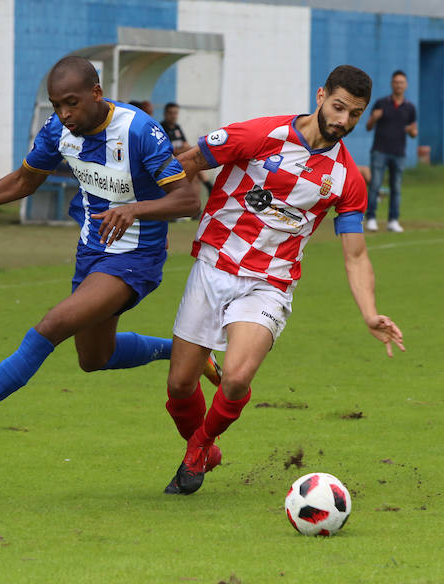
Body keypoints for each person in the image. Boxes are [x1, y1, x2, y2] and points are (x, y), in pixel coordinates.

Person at [0, 56, 218, 453]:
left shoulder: (139, 131)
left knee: (51, 325)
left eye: (72, 103)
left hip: (135, 259)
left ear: (96, 93)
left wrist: (134, 209)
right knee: (94, 358)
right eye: (57, 104)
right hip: (92, 253)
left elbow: (187, 201)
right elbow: (25, 181)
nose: (65, 113)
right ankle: (184, 352)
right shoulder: (59, 129)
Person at [160, 65, 405, 495]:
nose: (343, 121)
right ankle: (200, 442)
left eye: (355, 114)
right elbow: (187, 163)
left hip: (269, 283)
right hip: (213, 266)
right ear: (320, 96)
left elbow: (356, 254)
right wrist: (135, 202)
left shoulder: (347, 178)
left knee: (236, 377)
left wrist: (370, 313)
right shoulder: (258, 135)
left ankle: (200, 448)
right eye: (338, 107)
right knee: (180, 386)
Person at [364, 70, 417, 233]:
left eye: (401, 82)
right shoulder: (381, 103)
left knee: (396, 188)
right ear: (391, 84)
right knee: (375, 185)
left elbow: (414, 132)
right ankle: (371, 218)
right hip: (380, 150)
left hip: (398, 152)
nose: (398, 85)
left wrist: (412, 131)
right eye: (396, 82)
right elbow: (368, 126)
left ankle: (393, 220)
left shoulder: (410, 108)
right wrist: (374, 118)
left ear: (406, 85)